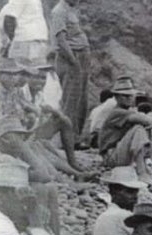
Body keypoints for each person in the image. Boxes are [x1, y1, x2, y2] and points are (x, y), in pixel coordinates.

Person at [0, 116, 81, 235]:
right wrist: (24, 149)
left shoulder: (4, 154)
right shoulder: (0, 157)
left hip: (0, 201)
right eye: (18, 136)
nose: (22, 140)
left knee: (48, 188)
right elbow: (43, 174)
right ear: (5, 138)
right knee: (40, 189)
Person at [90, 166, 148, 235]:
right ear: (114, 192)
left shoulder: (109, 213)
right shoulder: (120, 215)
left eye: (136, 192)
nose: (135, 197)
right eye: (130, 192)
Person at [99, 77, 152, 179]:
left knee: (142, 128)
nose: (129, 98)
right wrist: (148, 121)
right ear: (116, 97)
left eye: (131, 96)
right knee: (138, 128)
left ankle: (144, 164)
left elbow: (147, 121)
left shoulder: (126, 111)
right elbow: (146, 120)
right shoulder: (117, 112)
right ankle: (141, 170)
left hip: (118, 154)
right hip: (111, 156)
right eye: (125, 96)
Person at [50, 0, 90, 136]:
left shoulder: (70, 9)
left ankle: (75, 135)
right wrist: (73, 60)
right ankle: (67, 137)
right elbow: (61, 40)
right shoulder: (59, 11)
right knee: (70, 99)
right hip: (70, 58)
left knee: (81, 99)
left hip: (80, 57)